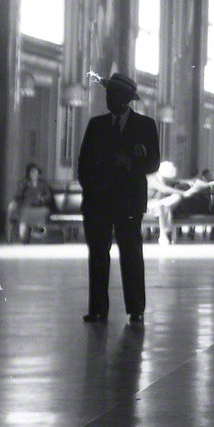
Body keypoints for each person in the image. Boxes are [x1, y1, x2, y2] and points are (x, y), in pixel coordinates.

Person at [75, 72, 159, 325]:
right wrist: (90, 188)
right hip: (98, 201)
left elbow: (153, 162)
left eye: (113, 94)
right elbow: (84, 162)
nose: (109, 98)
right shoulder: (96, 124)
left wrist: (131, 162)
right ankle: (98, 309)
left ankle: (136, 309)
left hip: (128, 201)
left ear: (126, 98)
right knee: (98, 254)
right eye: (108, 94)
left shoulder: (145, 125)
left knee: (131, 254)